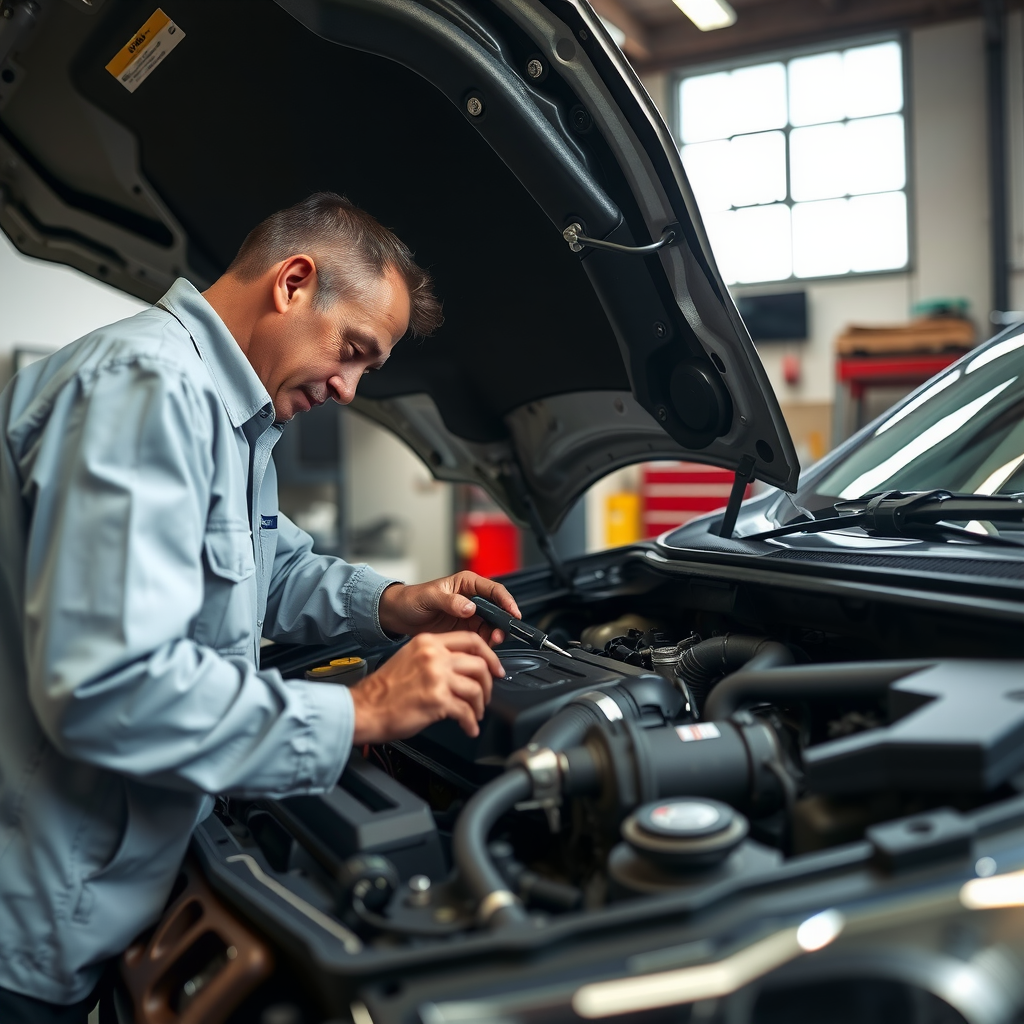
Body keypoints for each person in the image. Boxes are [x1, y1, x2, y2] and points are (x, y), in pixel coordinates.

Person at [0, 192, 520, 1021]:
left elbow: (262, 572)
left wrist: (393, 603)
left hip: (109, 895)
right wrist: (360, 710)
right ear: (293, 282)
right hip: (32, 925)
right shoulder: (148, 392)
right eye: (352, 352)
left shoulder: (227, 418)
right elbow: (107, 690)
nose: (350, 388)